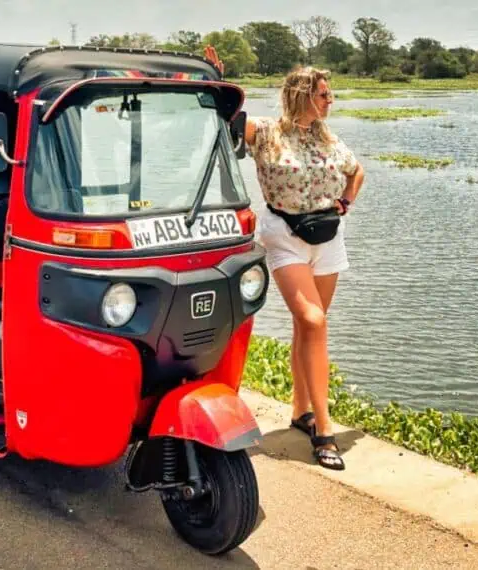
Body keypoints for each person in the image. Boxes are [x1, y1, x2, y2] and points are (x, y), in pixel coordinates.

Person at [204, 46, 365, 470]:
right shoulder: (267, 133)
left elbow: (356, 171)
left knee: (307, 327)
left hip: (328, 236)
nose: (331, 101)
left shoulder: (328, 138)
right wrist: (213, 77)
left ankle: (300, 412)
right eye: (324, 95)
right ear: (302, 95)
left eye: (330, 94)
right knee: (314, 321)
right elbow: (222, 117)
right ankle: (324, 431)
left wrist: (345, 202)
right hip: (284, 234)